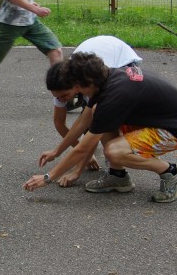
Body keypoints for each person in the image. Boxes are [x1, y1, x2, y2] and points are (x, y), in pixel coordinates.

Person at [24, 52, 177, 203]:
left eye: (76, 86)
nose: (75, 90)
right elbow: (82, 122)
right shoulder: (106, 79)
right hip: (158, 121)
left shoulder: (114, 95)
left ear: (86, 83)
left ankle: (172, 173)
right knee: (97, 114)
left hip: (176, 130)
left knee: (114, 151)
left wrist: (48, 177)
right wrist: (57, 151)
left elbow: (83, 148)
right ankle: (117, 176)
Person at [47, 36, 142, 187]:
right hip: (100, 55)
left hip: (122, 60)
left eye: (64, 96)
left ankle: (117, 166)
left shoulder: (88, 81)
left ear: (75, 86)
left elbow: (94, 126)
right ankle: (115, 164)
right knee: (95, 119)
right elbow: (59, 123)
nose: (62, 100)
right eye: (58, 98)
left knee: (104, 117)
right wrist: (58, 151)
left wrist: (77, 169)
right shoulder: (62, 85)